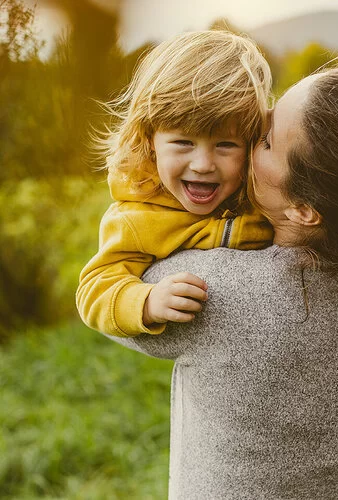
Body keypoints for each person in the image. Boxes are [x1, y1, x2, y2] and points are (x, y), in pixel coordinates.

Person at [106, 51, 338, 499]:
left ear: (304, 208)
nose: (250, 132)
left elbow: (113, 300)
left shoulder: (209, 290)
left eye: (263, 140)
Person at [76, 30, 273, 338]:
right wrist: (147, 302)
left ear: (250, 144)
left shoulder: (263, 190)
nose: (203, 164)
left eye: (225, 145)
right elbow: (94, 289)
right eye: (183, 142)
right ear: (150, 140)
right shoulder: (137, 218)